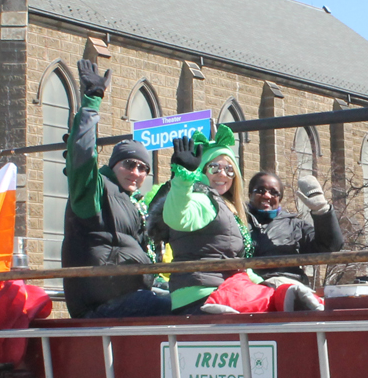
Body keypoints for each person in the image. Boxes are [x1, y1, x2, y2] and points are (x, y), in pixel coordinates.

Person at [61, 60, 171, 318]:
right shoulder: (96, 192)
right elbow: (81, 157)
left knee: (191, 297)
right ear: (114, 165)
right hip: (99, 306)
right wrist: (91, 102)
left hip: (131, 294)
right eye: (129, 164)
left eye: (143, 168)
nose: (136, 172)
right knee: (182, 309)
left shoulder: (134, 204)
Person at [162, 127, 258, 315]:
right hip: (201, 297)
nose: (223, 174)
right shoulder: (202, 197)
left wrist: (262, 283)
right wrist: (183, 178)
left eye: (229, 169)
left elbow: (235, 260)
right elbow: (179, 218)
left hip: (224, 290)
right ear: (202, 169)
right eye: (215, 167)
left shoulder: (227, 206)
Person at [247, 172, 344, 286]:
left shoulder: (294, 225)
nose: (267, 196)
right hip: (247, 287)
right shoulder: (236, 222)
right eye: (260, 190)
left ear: (280, 198)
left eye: (274, 193)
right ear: (250, 194)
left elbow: (330, 246)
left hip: (286, 285)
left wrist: (321, 210)